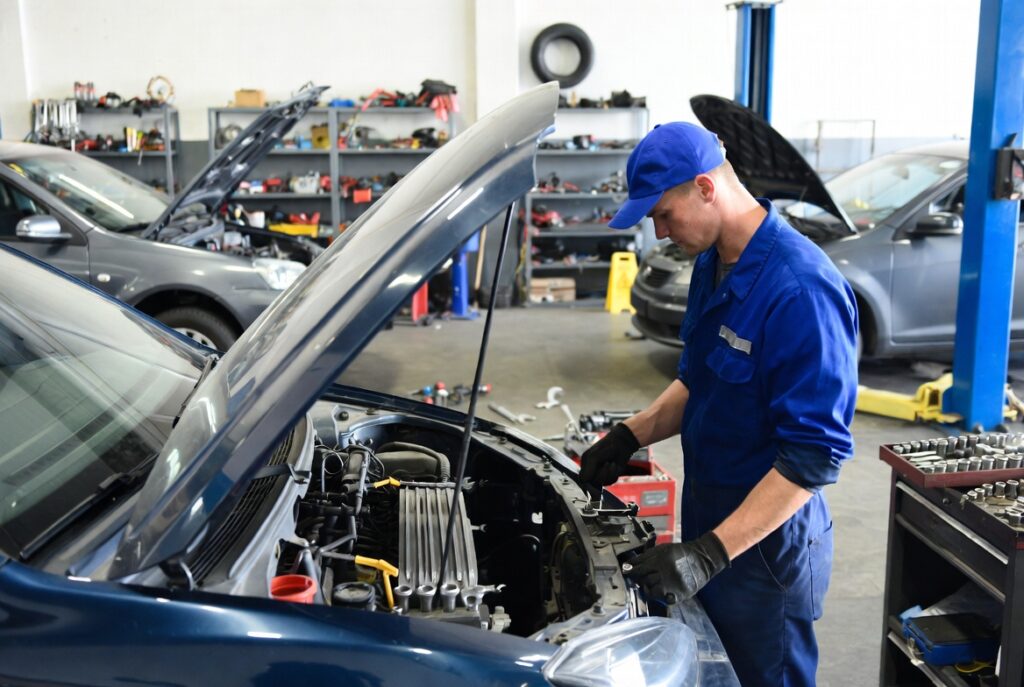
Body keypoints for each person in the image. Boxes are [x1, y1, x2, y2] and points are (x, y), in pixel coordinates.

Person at [580, 122, 858, 686]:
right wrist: (630, 435)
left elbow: (813, 457)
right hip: (712, 524)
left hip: (766, 554)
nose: (659, 232)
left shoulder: (801, 291)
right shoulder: (712, 263)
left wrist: (709, 553)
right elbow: (701, 377)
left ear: (706, 188)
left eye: (663, 214)